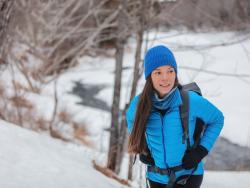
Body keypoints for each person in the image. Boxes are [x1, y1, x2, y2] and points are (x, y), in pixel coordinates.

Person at [126, 45, 224, 188]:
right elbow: (131, 120)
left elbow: (217, 119)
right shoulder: (139, 104)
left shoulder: (190, 100)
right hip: (156, 177)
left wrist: (200, 152)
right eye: (158, 73)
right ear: (149, 77)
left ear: (175, 73)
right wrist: (142, 147)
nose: (165, 78)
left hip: (188, 175)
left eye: (170, 71)